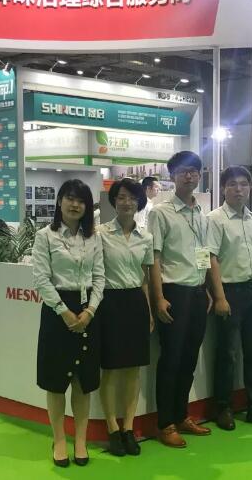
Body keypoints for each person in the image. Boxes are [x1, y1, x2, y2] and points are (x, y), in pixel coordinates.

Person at [32, 179, 104, 468]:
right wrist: (64, 312)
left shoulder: (93, 237)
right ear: (59, 201)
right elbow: (41, 279)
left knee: (82, 382)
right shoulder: (45, 236)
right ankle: (59, 439)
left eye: (81, 200)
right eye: (70, 198)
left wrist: (90, 311)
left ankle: (81, 440)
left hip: (88, 311)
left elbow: (100, 277)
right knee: (56, 382)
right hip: (56, 312)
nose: (75, 205)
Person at [149, 151, 212, 448]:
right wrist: (159, 297)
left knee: (189, 358)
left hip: (198, 292)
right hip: (173, 293)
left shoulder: (201, 213)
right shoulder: (161, 213)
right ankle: (165, 424)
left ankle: (182, 414)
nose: (189, 176)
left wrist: (207, 288)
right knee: (171, 359)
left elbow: (204, 255)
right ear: (172, 175)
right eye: (184, 171)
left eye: (194, 171)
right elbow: (154, 258)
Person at [208, 166, 252, 431]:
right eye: (232, 184)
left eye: (244, 184)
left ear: (250, 187)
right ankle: (223, 407)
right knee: (228, 353)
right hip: (230, 292)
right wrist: (220, 296)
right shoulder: (215, 219)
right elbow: (211, 258)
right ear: (223, 188)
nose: (239, 189)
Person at [98, 179, 154, 457]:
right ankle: (112, 429)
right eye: (121, 197)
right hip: (109, 302)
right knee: (109, 369)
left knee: (133, 369)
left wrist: (149, 311)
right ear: (113, 201)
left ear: (139, 201)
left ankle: (128, 428)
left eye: (132, 197)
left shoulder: (146, 237)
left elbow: (144, 278)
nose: (127, 202)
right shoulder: (100, 234)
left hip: (135, 303)